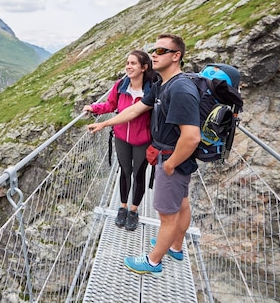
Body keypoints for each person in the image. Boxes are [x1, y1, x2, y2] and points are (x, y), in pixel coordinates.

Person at [87, 34, 201, 276]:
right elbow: (135, 109)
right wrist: (104, 124)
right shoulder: (163, 85)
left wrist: (170, 164)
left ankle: (153, 261)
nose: (155, 54)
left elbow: (191, 137)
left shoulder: (179, 88)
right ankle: (175, 247)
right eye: (154, 50)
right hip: (172, 157)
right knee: (181, 204)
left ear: (176, 56)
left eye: (161, 50)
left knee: (167, 215)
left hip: (171, 158)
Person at [83, 50, 157, 231]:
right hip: (122, 137)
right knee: (124, 172)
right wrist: (94, 108)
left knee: (138, 175)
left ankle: (134, 210)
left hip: (142, 140)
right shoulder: (121, 85)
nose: (128, 66)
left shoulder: (152, 89)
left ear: (144, 67)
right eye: (127, 63)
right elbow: (111, 105)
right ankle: (123, 207)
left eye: (133, 63)